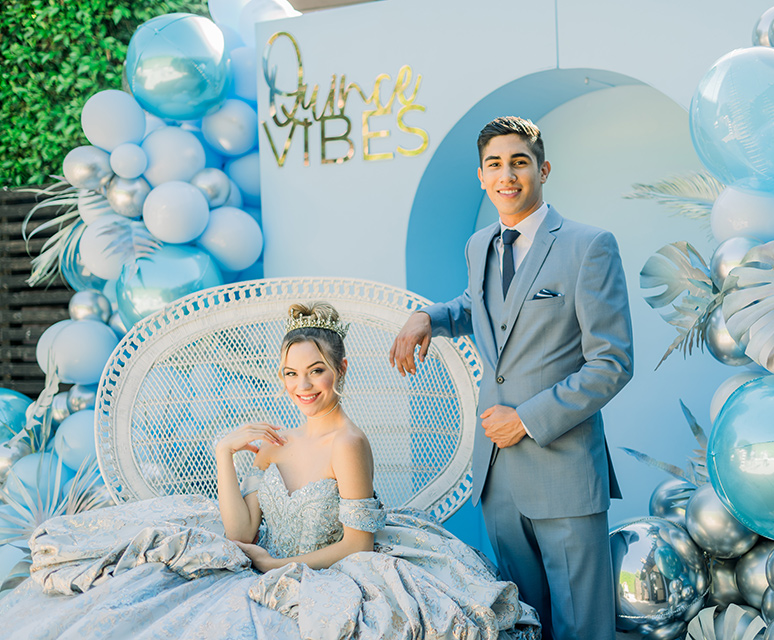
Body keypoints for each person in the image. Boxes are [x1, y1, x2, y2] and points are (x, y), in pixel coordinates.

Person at [0, 302, 539, 640]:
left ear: (340, 369)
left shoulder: (348, 443)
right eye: (290, 374)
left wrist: (278, 564)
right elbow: (238, 532)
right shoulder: (279, 440)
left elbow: (359, 547)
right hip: (261, 560)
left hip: (320, 568)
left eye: (316, 372)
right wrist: (223, 453)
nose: (303, 386)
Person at [390, 116, 634, 640]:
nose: (508, 174)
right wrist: (430, 317)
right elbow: (485, 308)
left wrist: (526, 418)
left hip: (564, 473)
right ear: (482, 176)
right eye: (495, 164)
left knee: (582, 630)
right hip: (497, 476)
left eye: (519, 162)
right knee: (521, 627)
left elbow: (612, 364)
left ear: (543, 169)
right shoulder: (480, 244)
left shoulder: (589, 246)